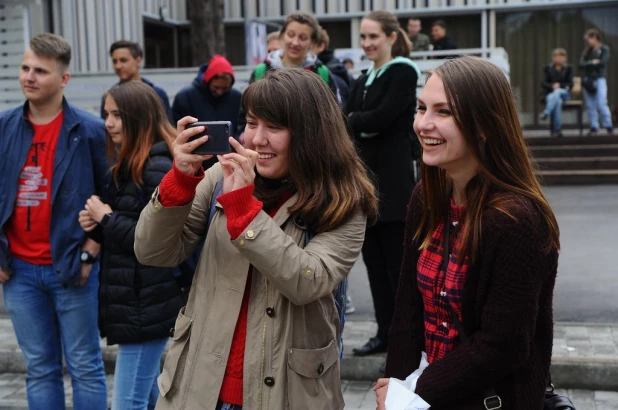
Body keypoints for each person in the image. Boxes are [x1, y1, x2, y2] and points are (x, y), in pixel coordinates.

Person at [133, 67, 378, 410]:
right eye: (251, 123)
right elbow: (152, 251)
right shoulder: (221, 175)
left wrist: (244, 211)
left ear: (312, 134)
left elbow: (307, 280)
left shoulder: (345, 201)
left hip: (287, 395)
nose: (256, 139)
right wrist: (180, 182)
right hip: (199, 389)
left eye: (274, 127)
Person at [374, 56, 560, 409]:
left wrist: (416, 391)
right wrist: (396, 387)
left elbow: (503, 344)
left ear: (486, 124)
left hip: (490, 399)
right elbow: (407, 310)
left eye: (443, 112)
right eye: (421, 108)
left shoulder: (516, 219)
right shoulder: (425, 198)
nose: (423, 124)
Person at [0, 33, 108, 410]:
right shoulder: (4, 127)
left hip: (72, 268)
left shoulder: (90, 131)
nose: (29, 76)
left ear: (63, 79)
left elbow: (110, 197)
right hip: (18, 272)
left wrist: (90, 253)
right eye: (25, 67)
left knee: (85, 365)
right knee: (40, 368)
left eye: (41, 71)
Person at [78, 81, 186, 410]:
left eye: (116, 115)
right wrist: (98, 227)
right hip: (137, 302)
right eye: (106, 114)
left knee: (127, 403)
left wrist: (106, 219)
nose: (108, 123)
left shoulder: (156, 167)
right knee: (148, 397)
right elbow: (128, 231)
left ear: (138, 118)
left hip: (146, 304)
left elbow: (153, 239)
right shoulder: (133, 164)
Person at [345, 10, 420, 357]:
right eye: (363, 37)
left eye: (373, 36)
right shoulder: (363, 79)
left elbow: (382, 117)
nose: (367, 43)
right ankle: (384, 332)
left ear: (391, 36)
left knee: (398, 268)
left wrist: (359, 122)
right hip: (366, 187)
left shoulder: (402, 71)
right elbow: (353, 123)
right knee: (374, 265)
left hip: (394, 185)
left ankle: (407, 337)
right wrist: (362, 123)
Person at [237, 12, 342, 137]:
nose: (295, 42)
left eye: (303, 38)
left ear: (312, 42)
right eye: (291, 35)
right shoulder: (262, 70)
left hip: (309, 146)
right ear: (282, 36)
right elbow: (246, 113)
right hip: (266, 144)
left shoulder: (321, 73)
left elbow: (334, 116)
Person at [172, 54, 242, 169]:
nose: (219, 92)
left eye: (224, 89)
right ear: (208, 80)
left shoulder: (236, 97)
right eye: (216, 87)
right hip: (195, 163)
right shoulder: (185, 97)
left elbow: (242, 126)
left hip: (229, 162)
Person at [100, 40, 172, 122]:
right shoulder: (110, 97)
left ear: (138, 61)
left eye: (123, 60)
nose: (118, 66)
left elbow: (168, 127)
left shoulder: (157, 94)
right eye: (114, 61)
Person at [579, 28, 613, 136]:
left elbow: (603, 63)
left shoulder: (604, 49)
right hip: (589, 80)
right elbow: (581, 64)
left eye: (588, 39)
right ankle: (594, 126)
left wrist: (591, 63)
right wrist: (592, 62)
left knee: (601, 102)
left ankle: (608, 125)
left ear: (594, 37)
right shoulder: (587, 51)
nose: (588, 41)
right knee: (590, 104)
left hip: (599, 79)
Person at [540, 48, 574, 138]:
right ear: (554, 58)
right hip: (550, 95)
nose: (559, 59)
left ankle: (547, 112)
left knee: (558, 92)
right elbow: (543, 83)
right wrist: (552, 86)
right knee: (557, 101)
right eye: (557, 56)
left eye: (561, 56)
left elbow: (570, 84)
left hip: (564, 94)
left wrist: (559, 85)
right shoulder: (547, 68)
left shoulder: (568, 68)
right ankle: (557, 129)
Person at [313, 25, 351, 104]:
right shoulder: (335, 67)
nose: (297, 44)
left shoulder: (330, 72)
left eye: (304, 39)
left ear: (321, 46)